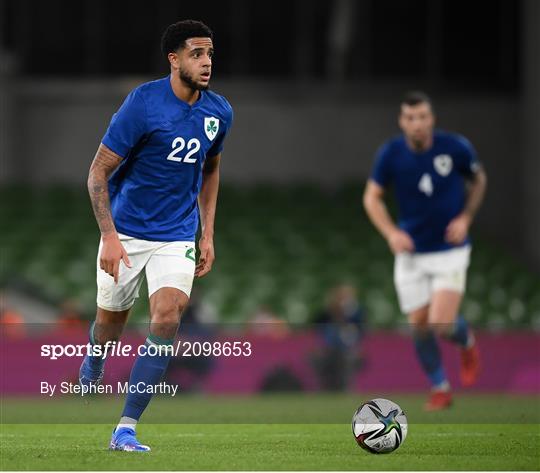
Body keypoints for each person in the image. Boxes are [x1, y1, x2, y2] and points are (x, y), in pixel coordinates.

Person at [78, 20, 233, 451]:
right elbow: (97, 172)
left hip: (177, 235)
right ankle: (95, 353)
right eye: (196, 54)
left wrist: (207, 234)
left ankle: (125, 427)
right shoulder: (142, 104)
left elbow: (211, 169)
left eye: (210, 54)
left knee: (167, 317)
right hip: (125, 233)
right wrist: (108, 236)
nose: (206, 63)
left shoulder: (218, 112)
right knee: (110, 324)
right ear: (174, 58)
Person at [363, 91, 487, 411]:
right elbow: (371, 198)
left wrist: (466, 217)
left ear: (431, 119)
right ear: (401, 122)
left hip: (449, 249)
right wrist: (391, 233)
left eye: (422, 117)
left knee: (441, 323)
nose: (416, 124)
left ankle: (468, 343)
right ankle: (440, 387)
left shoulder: (455, 147)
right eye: (410, 118)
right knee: (418, 324)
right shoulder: (390, 154)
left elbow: (479, 180)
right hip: (412, 253)